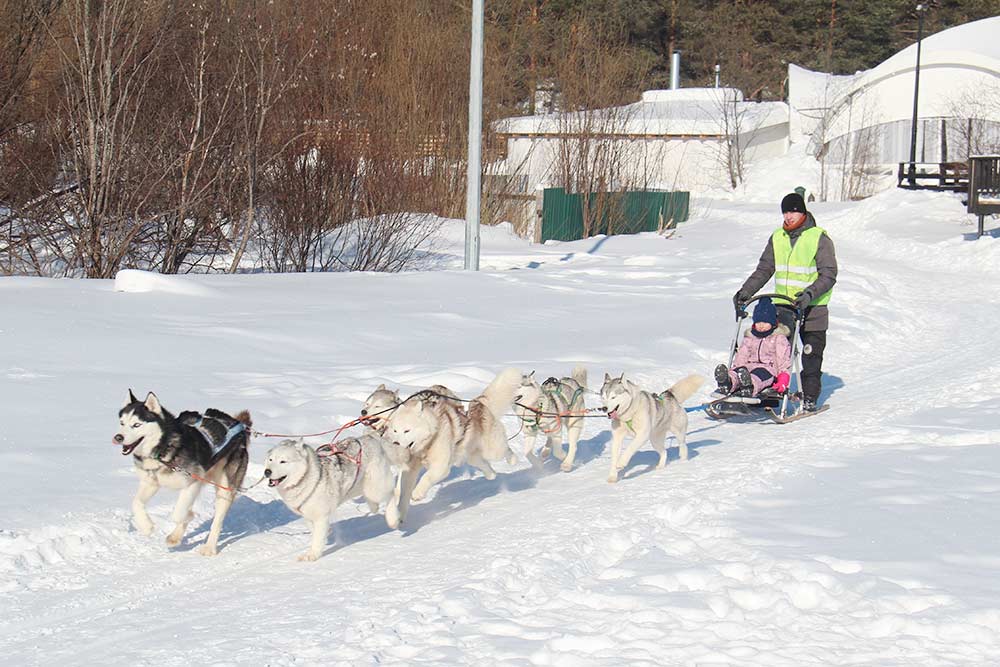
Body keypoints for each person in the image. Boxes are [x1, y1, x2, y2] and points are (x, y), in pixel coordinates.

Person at [732, 192, 837, 411]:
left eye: (794, 211)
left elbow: (829, 274)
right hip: (786, 306)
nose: (789, 216)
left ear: (803, 212)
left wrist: (809, 293)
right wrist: (745, 291)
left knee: (810, 355)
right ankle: (767, 391)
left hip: (813, 308)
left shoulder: (819, 238)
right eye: (786, 212)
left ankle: (809, 397)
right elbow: (765, 269)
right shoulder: (777, 237)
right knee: (774, 351)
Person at [714, 297, 791, 397]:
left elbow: (783, 360)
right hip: (747, 368)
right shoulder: (750, 337)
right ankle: (727, 383)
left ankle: (749, 386)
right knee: (737, 372)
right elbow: (742, 355)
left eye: (765, 323)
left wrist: (783, 379)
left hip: (768, 369)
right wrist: (737, 368)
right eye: (758, 322)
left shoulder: (778, 338)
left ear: (773, 323)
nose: (761, 326)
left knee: (758, 376)